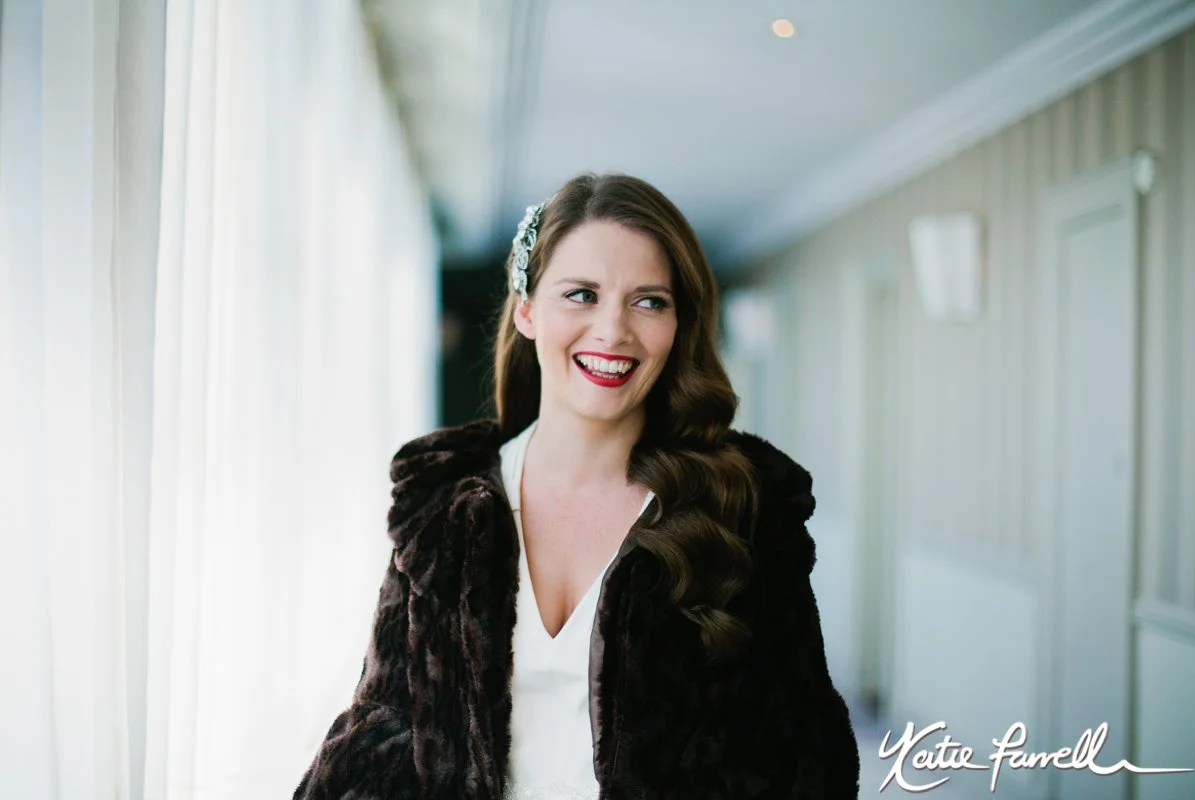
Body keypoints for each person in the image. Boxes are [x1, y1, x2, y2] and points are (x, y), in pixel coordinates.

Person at [293, 173, 860, 799]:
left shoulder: (739, 510)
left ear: (679, 325)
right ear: (528, 310)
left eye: (649, 301)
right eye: (582, 294)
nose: (613, 331)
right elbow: (385, 723)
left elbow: (806, 756)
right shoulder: (445, 503)